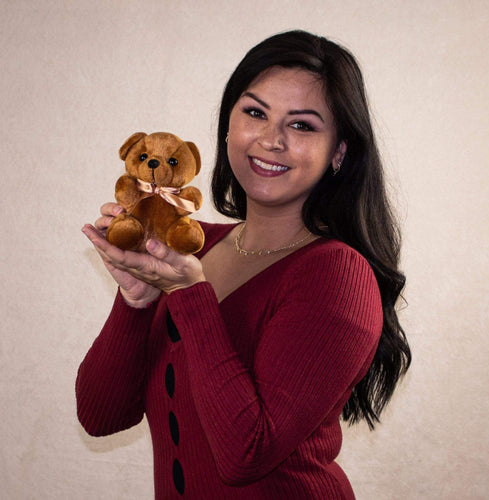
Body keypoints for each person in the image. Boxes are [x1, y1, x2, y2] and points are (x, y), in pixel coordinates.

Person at [77, 30, 411, 499]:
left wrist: (190, 297)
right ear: (229, 126)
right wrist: (136, 300)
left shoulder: (337, 275)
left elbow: (245, 454)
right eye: (255, 113)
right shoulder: (189, 249)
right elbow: (101, 416)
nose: (271, 140)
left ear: (338, 152)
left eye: (302, 125)